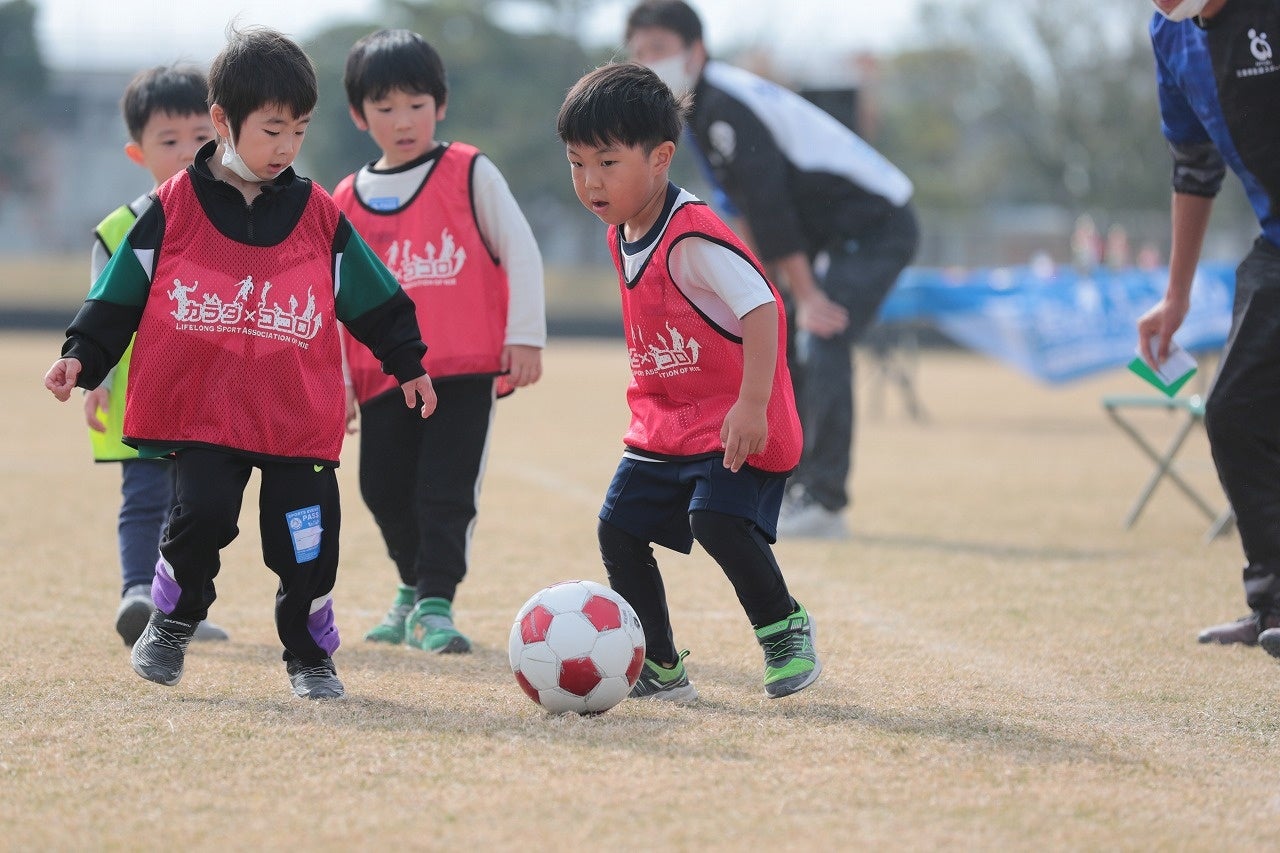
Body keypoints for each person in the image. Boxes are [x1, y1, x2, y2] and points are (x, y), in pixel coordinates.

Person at [43, 27, 437, 700]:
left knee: (305, 544)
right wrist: (82, 354)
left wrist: (409, 362)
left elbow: (372, 296)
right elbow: (119, 295)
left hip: (295, 416)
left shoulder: (318, 214)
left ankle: (310, 655)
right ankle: (171, 620)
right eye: (273, 130)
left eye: (300, 132)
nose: (287, 148)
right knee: (198, 519)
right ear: (223, 121)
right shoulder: (172, 209)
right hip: (205, 410)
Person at [556, 61, 821, 700]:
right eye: (576, 163)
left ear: (662, 157)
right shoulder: (621, 228)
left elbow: (764, 306)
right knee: (617, 529)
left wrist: (753, 404)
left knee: (718, 521)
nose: (590, 182)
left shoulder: (692, 237)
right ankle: (659, 665)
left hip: (733, 417)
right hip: (666, 420)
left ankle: (782, 626)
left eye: (607, 163)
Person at [625, 0, 919, 539]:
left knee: (822, 333)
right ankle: (794, 484)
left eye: (660, 49)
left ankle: (825, 502)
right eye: (639, 53)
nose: (649, 61)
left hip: (876, 224)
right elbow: (745, 212)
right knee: (780, 334)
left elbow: (770, 204)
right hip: (830, 231)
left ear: (696, 52)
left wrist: (804, 294)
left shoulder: (723, 104)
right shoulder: (693, 111)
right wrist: (764, 290)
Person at [335, 29, 546, 653]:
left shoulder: (469, 170)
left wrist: (525, 336)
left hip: (462, 366)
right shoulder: (345, 198)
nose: (404, 121)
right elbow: (335, 301)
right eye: (385, 107)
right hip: (384, 375)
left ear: (441, 104)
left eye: (417, 104)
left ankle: (434, 602)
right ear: (358, 115)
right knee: (381, 487)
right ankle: (411, 586)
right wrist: (339, 381)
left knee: (445, 488)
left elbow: (521, 250)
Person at [1137, 0, 1280, 653]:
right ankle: (1273, 602)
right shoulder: (1169, 34)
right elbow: (1194, 166)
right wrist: (1176, 295)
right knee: (1235, 412)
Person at [86, 65, 229, 648]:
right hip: (142, 393)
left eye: (200, 137)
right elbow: (101, 309)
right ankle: (137, 595)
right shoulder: (119, 229)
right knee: (146, 499)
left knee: (199, 509)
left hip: (209, 397)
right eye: (168, 141)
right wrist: (95, 375)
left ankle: (178, 610)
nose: (185, 152)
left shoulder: (238, 217)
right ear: (136, 152)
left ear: (222, 132)